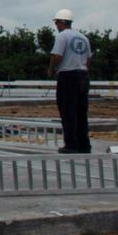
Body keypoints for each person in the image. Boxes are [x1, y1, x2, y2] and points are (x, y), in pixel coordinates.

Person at [47, 8, 92, 153]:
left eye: (57, 23)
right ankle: (84, 145)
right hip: (83, 75)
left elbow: (57, 56)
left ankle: (71, 145)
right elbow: (88, 59)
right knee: (81, 111)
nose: (56, 26)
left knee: (68, 111)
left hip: (68, 76)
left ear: (61, 22)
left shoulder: (62, 37)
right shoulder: (83, 38)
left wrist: (51, 69)